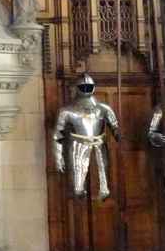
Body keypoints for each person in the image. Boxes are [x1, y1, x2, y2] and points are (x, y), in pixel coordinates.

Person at [52, 73, 121, 201]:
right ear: (77, 87)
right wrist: (58, 158)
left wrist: (117, 133)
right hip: (78, 144)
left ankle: (103, 191)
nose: (86, 89)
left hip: (100, 144)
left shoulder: (104, 108)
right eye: (83, 87)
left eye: (88, 86)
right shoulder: (67, 109)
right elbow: (58, 135)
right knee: (77, 186)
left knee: (104, 186)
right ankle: (80, 192)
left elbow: (114, 125)